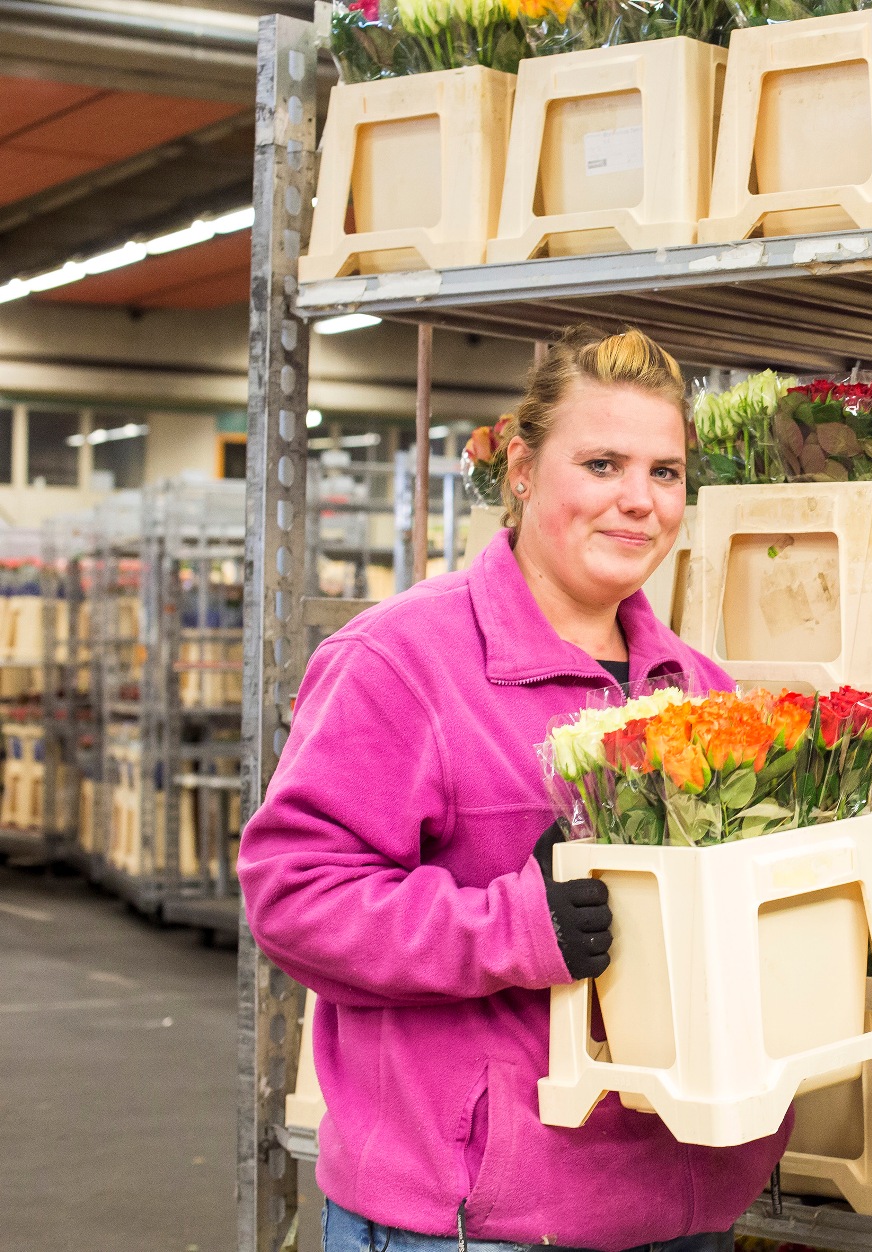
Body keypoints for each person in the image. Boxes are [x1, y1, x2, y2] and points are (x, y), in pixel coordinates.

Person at [240, 326, 785, 1252]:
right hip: (475, 1221)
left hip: (679, 1203)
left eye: (665, 472)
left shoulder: (696, 688)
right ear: (524, 470)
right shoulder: (403, 661)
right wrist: (516, 928)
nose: (638, 502)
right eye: (603, 463)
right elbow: (294, 898)